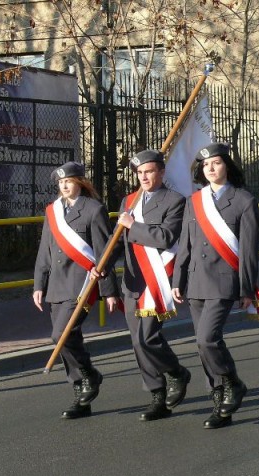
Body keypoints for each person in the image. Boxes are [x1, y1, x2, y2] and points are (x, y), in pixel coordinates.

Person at [172, 142, 259, 429]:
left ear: (227, 166)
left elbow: (248, 249)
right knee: (203, 346)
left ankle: (232, 383)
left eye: (216, 163)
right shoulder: (194, 201)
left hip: (224, 279)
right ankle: (220, 403)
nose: (210, 168)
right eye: (206, 165)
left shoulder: (243, 200)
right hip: (196, 281)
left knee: (207, 339)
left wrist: (247, 288)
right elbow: (185, 245)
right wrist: (178, 280)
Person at [33, 161, 119, 419]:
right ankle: (81, 394)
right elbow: (45, 250)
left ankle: (88, 375)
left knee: (60, 335)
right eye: (60, 183)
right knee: (69, 338)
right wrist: (39, 284)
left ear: (80, 182)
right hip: (58, 286)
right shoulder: (53, 211)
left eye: (68, 181)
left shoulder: (94, 210)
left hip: (82, 284)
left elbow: (106, 252)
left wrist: (109, 290)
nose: (64, 186)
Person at [113, 149, 191, 421]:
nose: (143, 177)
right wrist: (101, 270)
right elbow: (118, 241)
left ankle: (176, 373)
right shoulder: (129, 201)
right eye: (139, 173)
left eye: (149, 171)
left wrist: (133, 225)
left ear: (161, 172)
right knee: (137, 342)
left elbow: (166, 236)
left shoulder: (176, 201)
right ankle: (157, 393)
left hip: (157, 280)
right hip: (133, 280)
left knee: (148, 337)